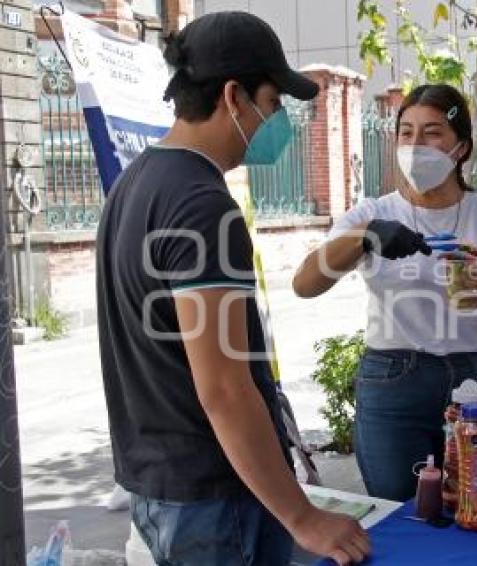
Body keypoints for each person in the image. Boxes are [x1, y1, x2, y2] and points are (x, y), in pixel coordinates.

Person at [96, 12, 369, 565]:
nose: (275, 121)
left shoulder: (136, 182)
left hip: (162, 484)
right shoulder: (200, 205)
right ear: (233, 96)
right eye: (271, 104)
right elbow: (223, 387)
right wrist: (303, 517)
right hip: (213, 501)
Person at [293, 84, 477, 502]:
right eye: (406, 133)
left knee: (475, 504)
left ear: (460, 147)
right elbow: (305, 285)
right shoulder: (372, 214)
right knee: (399, 510)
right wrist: (365, 238)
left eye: (432, 132)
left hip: (473, 381)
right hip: (393, 381)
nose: (415, 144)